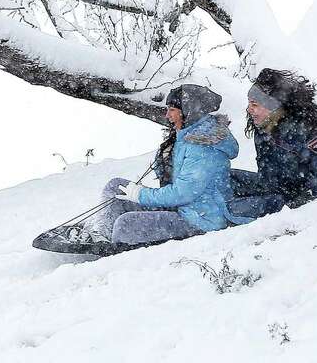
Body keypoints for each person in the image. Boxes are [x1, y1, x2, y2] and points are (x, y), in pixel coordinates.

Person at [89, 84, 251, 246]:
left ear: (188, 112)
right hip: (182, 208)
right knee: (116, 187)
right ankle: (100, 235)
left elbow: (182, 193)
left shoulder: (203, 147)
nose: (167, 115)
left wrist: (140, 195)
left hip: (201, 220)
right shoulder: (187, 136)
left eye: (172, 110)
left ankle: (112, 252)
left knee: (126, 224)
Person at [229, 69, 317, 220]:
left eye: (254, 104)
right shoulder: (263, 130)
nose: (249, 109)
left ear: (272, 107)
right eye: (249, 104)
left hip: (297, 196)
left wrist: (302, 198)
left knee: (235, 208)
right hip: (274, 187)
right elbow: (267, 173)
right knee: (226, 177)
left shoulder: (303, 132)